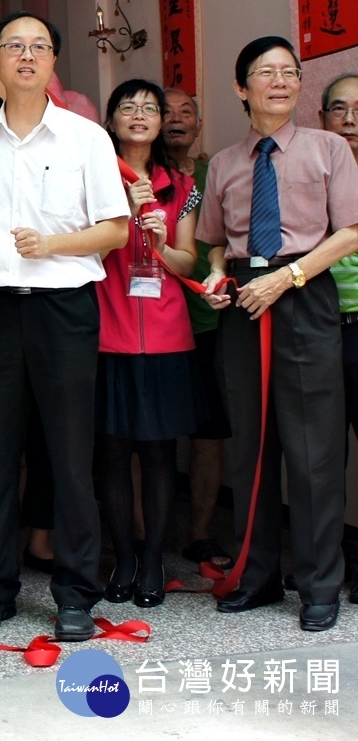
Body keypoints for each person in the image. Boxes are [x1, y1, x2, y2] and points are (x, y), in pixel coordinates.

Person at [0, 11, 129, 641]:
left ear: (53, 61)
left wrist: (53, 245)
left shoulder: (86, 139)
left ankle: (75, 592)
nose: (26, 56)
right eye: (14, 46)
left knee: (70, 453)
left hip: (64, 308)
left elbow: (115, 228)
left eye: (39, 46)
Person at [199, 37, 358, 632]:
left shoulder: (326, 149)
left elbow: (351, 231)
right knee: (251, 446)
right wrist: (218, 272)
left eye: (290, 72)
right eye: (267, 73)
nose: (281, 81)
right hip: (243, 299)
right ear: (242, 88)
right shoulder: (224, 162)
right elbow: (216, 240)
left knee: (314, 450)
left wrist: (288, 278)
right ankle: (257, 575)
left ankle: (321, 586)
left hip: (305, 290)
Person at [96, 80, 203, 609]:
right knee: (112, 453)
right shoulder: (92, 179)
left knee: (159, 454)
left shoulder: (183, 186)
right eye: (127, 107)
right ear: (111, 119)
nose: (139, 115)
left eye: (150, 108)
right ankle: (122, 557)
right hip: (106, 332)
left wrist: (160, 241)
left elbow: (189, 265)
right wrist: (119, 206)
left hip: (165, 336)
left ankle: (155, 559)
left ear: (162, 121)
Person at [161, 88, 234, 573]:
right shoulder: (137, 176)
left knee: (209, 432)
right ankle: (150, 535)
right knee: (153, 435)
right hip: (155, 324)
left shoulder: (214, 174)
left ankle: (200, 534)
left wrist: (216, 265)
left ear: (199, 125)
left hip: (209, 323)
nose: (176, 119)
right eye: (166, 111)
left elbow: (227, 238)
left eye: (187, 111)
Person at [321, 73, 358, 600]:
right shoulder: (315, 169)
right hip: (320, 325)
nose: (351, 118)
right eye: (340, 109)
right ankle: (324, 566)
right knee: (323, 455)